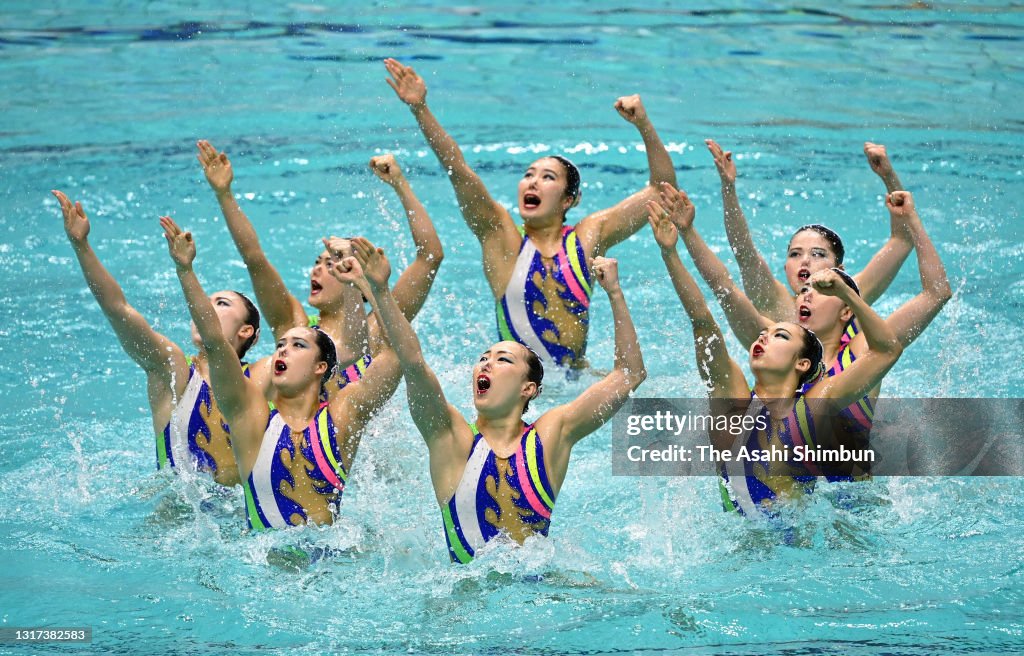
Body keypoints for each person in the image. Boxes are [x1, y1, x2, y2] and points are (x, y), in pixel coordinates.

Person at [343, 236, 645, 562]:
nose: (486, 363)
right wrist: (381, 291)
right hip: (467, 598)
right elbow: (412, 363)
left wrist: (614, 292)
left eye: (503, 359)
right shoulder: (451, 438)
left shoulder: (551, 435)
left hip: (538, 593)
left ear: (528, 388)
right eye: (484, 358)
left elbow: (630, 374)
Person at [384, 57, 676, 370]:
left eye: (548, 177)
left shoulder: (588, 238)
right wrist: (420, 108)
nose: (532, 182)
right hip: (518, 388)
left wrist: (644, 125)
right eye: (528, 174)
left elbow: (663, 192)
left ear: (569, 201)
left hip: (577, 383)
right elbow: (458, 169)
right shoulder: (502, 239)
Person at [653, 184, 951, 476]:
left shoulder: (861, 352)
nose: (805, 294)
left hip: (852, 502)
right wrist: (687, 236)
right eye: (802, 289)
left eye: (819, 288)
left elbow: (935, 294)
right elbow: (722, 292)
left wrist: (911, 219)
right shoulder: (776, 346)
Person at [161, 217, 401, 530]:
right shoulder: (254, 418)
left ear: (321, 367)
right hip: (264, 556)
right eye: (281, 345)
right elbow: (217, 341)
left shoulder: (344, 414)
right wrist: (185, 271)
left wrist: (373, 286)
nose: (282, 350)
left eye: (298, 344)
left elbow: (393, 354)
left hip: (328, 554)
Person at [197, 140, 442, 391]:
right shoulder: (294, 327)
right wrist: (224, 194)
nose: (317, 270)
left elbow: (430, 257)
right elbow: (254, 259)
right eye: (317, 263)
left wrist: (399, 184)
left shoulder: (382, 325)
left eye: (332, 263)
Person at [54, 190, 260, 487]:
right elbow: (118, 310)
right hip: (175, 517)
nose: (204, 309)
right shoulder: (173, 369)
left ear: (246, 331)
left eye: (221, 303)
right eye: (204, 301)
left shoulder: (262, 381)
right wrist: (81, 245)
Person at [703, 139, 913, 323]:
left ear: (839, 270)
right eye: (795, 254)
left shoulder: (850, 297)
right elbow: (744, 251)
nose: (804, 261)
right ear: (785, 267)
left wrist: (888, 176)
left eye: (817, 254)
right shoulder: (776, 305)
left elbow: (902, 242)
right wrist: (728, 187)